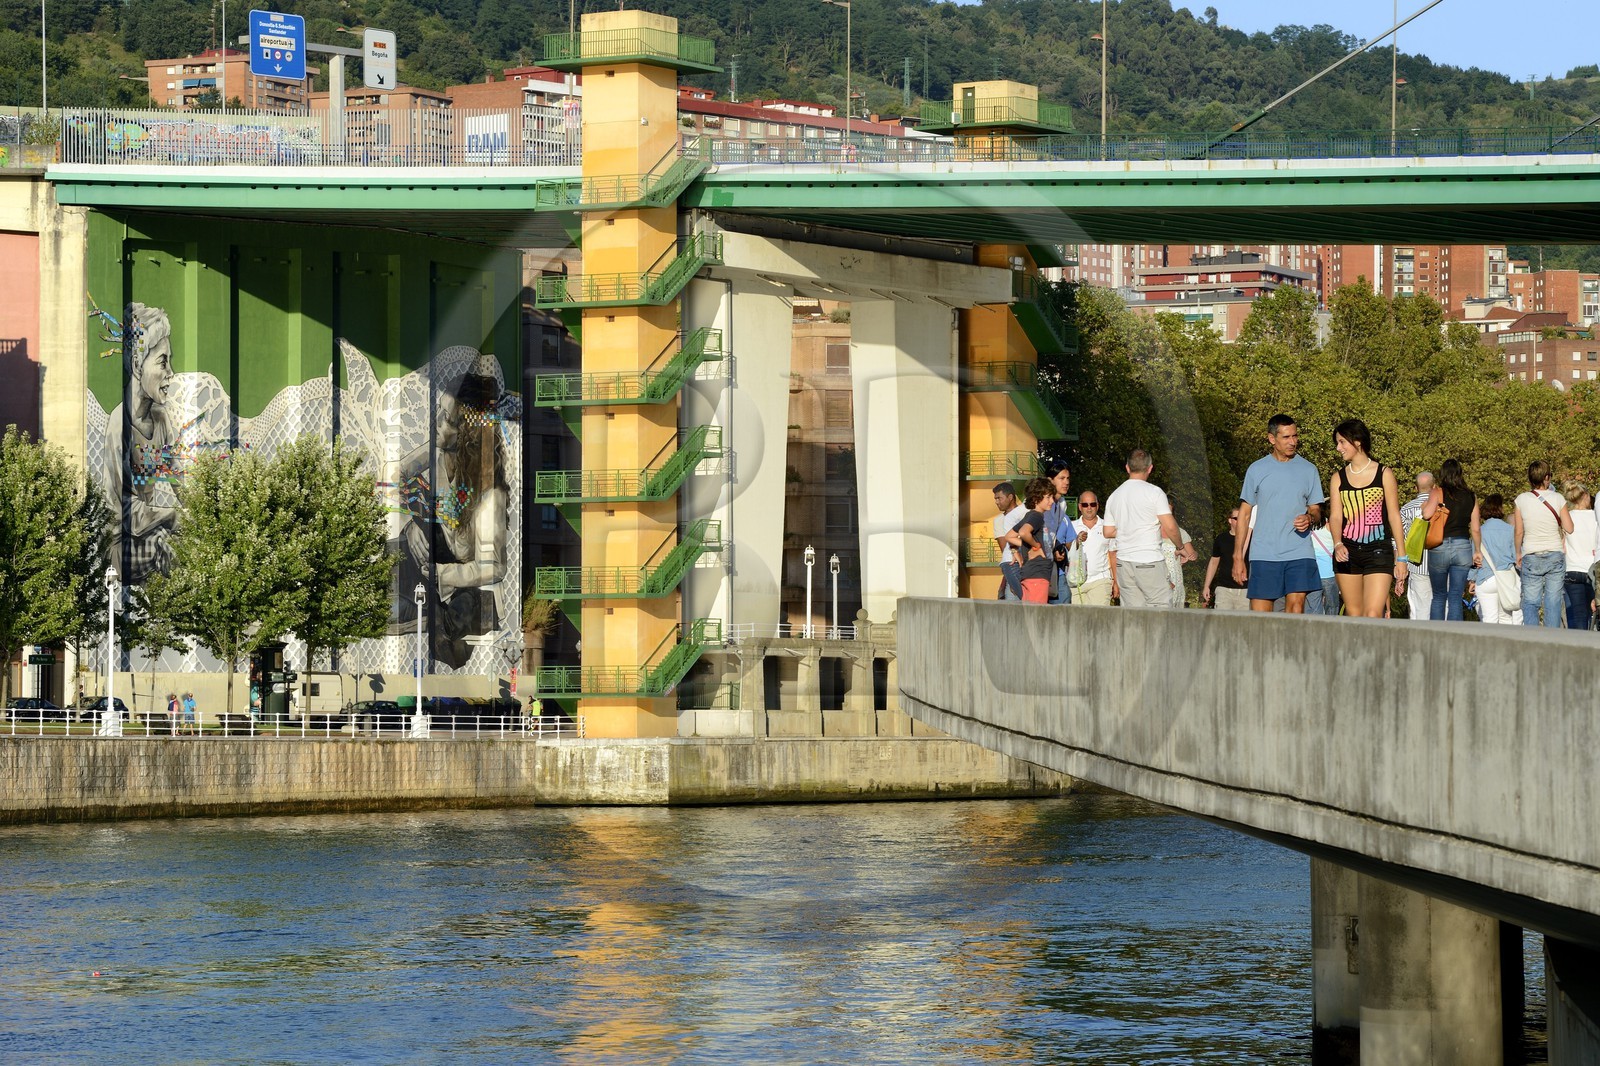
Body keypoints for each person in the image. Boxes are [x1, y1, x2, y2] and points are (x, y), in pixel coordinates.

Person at [103, 302, 180, 582]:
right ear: (137, 365)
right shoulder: (119, 424)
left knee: (194, 544)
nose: (170, 372)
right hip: (119, 546)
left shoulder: (161, 419)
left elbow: (181, 479)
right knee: (170, 548)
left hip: (151, 531)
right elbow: (123, 512)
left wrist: (205, 513)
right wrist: (174, 516)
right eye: (162, 362)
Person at [1234, 414, 1325, 613]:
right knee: (1261, 617)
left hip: (1299, 551)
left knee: (1296, 609)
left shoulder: (1309, 470)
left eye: (1295, 436)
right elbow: (1244, 515)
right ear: (1272, 439)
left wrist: (1310, 517)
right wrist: (1238, 557)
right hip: (1264, 553)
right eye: (1286, 437)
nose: (1293, 442)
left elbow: (1316, 510)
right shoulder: (1256, 469)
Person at [1327, 418, 1407, 619]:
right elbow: (1335, 516)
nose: (1338, 448)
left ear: (1357, 441)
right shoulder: (1337, 478)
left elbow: (1394, 515)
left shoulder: (1384, 473)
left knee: (1372, 614)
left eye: (1342, 442)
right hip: (1347, 552)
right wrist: (1337, 543)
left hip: (1378, 550)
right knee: (1354, 614)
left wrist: (1402, 558)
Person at [1103, 449, 1185, 609]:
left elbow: (1108, 531)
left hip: (1124, 563)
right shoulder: (1154, 492)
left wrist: (1130, 529)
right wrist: (1180, 547)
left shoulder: (1114, 496)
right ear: (1150, 468)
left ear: (1127, 467)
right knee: (1160, 609)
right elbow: (1170, 526)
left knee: (1132, 612)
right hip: (1149, 560)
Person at [1514, 460, 1574, 627]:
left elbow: (1519, 532)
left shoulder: (1521, 500)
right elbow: (1569, 528)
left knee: (1530, 601)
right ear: (1547, 477)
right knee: (1553, 601)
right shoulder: (1558, 498)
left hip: (1531, 554)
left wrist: (1518, 552)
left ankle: (1531, 637)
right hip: (1554, 554)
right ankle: (1551, 637)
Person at [1422, 459, 1482, 622]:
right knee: (1455, 596)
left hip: (1439, 546)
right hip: (1462, 547)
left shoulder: (1437, 492)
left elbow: (1426, 514)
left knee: (1439, 595)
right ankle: (1455, 634)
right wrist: (1477, 550)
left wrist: (1425, 505)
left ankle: (1436, 634)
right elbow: (1475, 528)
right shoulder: (1471, 496)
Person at [1470, 495, 1522, 625]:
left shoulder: (1479, 532)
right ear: (1500, 509)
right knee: (1506, 619)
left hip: (1485, 578)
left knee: (1489, 619)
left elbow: (1475, 559)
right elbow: (1516, 557)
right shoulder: (1510, 530)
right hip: (1506, 578)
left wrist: (1472, 580)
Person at [1007, 477, 1057, 604]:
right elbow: (1023, 532)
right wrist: (1036, 545)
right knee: (1037, 612)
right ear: (1036, 499)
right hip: (1037, 573)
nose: (1052, 501)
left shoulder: (1029, 515)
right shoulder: (1037, 516)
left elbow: (1010, 536)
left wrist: (1025, 546)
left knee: (1029, 611)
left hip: (1029, 573)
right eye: (1048, 497)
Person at [1561, 480, 1598, 631]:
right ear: (1586, 496)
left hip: (1572, 570)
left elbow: (1562, 544)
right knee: (1593, 614)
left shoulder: (1567, 517)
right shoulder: (1596, 517)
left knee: (1577, 616)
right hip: (1592, 571)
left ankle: (1577, 642)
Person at [1398, 471, 1435, 619]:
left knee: (1420, 608)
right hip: (1441, 562)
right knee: (1442, 604)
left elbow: (1399, 539)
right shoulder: (1441, 507)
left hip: (1417, 564)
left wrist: (1400, 566)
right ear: (1434, 486)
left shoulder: (1406, 509)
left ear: (1415, 488)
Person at [1042, 463, 1076, 604]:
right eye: (1061, 478)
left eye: (1068, 478)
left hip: (1052, 563)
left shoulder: (1062, 503)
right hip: (1035, 563)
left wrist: (1056, 549)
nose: (1066, 482)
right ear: (1050, 480)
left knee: (1064, 599)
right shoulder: (1039, 501)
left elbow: (1052, 534)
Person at [1201, 507, 1248, 611]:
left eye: (1243, 518)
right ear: (1230, 520)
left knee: (1244, 621)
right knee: (1222, 620)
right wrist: (1206, 586)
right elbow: (1214, 562)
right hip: (1224, 590)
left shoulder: (1250, 539)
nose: (1240, 521)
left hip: (1245, 590)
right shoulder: (1221, 539)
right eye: (1237, 518)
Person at [1072, 490, 1113, 606]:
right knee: (1076, 616)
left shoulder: (1107, 526)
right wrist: (1076, 541)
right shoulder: (1072, 526)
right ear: (1080, 507)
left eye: (1092, 504)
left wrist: (1115, 581)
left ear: (1097, 506)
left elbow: (1112, 554)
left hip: (1100, 580)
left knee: (1099, 616)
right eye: (1085, 505)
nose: (1089, 508)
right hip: (1075, 582)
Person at [990, 482, 1026, 601]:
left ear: (1010, 497)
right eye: (995, 499)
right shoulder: (999, 521)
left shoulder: (1026, 513)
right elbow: (1005, 548)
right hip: (1013, 565)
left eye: (999, 498)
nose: (996, 502)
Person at [1308, 512, 1341, 615]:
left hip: (1312, 573)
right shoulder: (1331, 525)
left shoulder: (1308, 525)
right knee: (1332, 607)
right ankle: (1331, 625)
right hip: (1329, 572)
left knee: (1313, 607)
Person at [1161, 522, 1197, 608]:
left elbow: (1191, 553)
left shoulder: (1180, 532)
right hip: (1156, 576)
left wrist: (1192, 555)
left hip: (1175, 577)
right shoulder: (1150, 531)